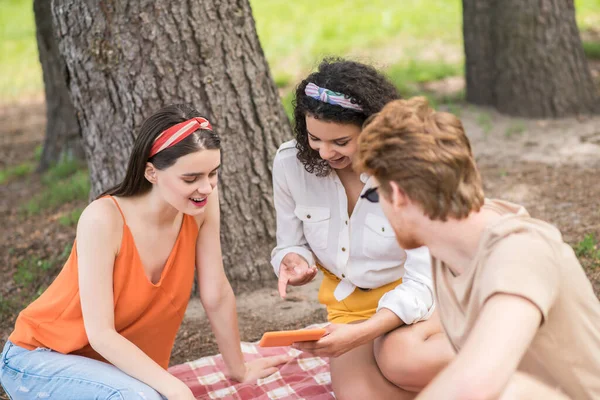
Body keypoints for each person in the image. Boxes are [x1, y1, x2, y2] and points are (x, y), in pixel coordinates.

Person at [0, 105, 288, 400]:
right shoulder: (102, 219)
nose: (206, 186)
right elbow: (100, 333)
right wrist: (174, 387)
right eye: (191, 179)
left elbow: (216, 293)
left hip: (111, 371)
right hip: (40, 357)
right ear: (151, 172)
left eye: (213, 173)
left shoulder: (202, 204)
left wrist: (238, 369)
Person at [354, 96, 600, 399]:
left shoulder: (520, 252)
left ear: (398, 194)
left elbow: (477, 381)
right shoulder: (447, 248)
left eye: (376, 196)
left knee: (508, 391)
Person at [270, 58, 454, 399]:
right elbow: (288, 242)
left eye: (341, 142)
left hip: (428, 300)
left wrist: (364, 333)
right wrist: (291, 259)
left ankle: (510, 354)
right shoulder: (289, 164)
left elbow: (423, 282)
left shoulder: (408, 174)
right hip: (348, 308)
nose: (325, 152)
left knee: (401, 361)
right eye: (314, 138)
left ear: (372, 131)